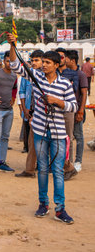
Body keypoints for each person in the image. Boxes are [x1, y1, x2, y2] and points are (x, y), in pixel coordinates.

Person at [8, 33, 77, 224]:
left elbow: (74, 106)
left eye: (48, 62)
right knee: (43, 169)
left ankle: (60, 209)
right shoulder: (35, 76)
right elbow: (15, 66)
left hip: (58, 134)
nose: (43, 65)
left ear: (56, 65)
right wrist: (13, 45)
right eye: (43, 62)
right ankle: (43, 204)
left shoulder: (65, 84)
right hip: (39, 131)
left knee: (57, 171)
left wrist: (58, 102)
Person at [15, 50, 44, 178]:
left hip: (44, 114)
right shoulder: (28, 75)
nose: (33, 63)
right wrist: (24, 109)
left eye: (36, 60)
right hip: (31, 110)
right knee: (32, 142)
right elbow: (21, 91)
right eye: (32, 61)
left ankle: (66, 166)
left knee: (49, 142)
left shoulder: (47, 76)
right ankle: (30, 169)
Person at [56, 47, 79, 181]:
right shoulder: (52, 72)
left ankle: (68, 167)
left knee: (68, 139)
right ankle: (59, 166)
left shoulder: (72, 73)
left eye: (62, 56)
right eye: (58, 57)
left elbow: (74, 88)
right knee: (55, 139)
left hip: (67, 110)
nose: (60, 59)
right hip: (54, 110)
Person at [65, 50, 88, 172]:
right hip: (68, 109)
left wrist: (81, 111)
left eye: (66, 58)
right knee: (69, 137)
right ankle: (70, 162)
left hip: (77, 109)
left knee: (78, 136)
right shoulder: (65, 74)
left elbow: (84, 94)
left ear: (72, 60)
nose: (64, 60)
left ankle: (78, 160)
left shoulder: (80, 75)